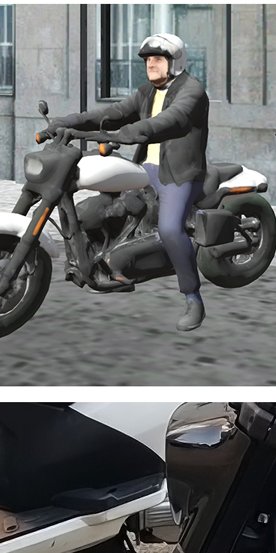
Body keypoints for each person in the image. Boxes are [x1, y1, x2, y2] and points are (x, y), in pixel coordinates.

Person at [50, 33, 210, 331]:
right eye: (148, 60)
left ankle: (193, 298)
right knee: (97, 209)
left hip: (178, 174)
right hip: (144, 170)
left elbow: (172, 121)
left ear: (175, 62)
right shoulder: (147, 92)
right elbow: (112, 113)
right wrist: (67, 122)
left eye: (157, 59)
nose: (150, 64)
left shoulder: (193, 91)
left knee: (169, 229)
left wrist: (130, 132)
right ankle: (104, 266)